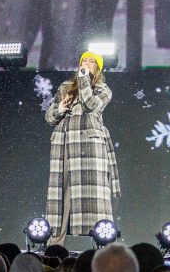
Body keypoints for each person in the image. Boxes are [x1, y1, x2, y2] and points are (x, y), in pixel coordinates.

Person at [45, 51, 120, 246]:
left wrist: (84, 80)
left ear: (97, 68)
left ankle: (101, 245)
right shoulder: (65, 88)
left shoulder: (104, 89)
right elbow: (50, 118)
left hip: (90, 148)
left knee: (94, 199)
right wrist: (60, 109)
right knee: (61, 196)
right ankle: (55, 248)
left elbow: (90, 105)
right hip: (64, 146)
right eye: (83, 61)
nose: (86, 63)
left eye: (91, 62)